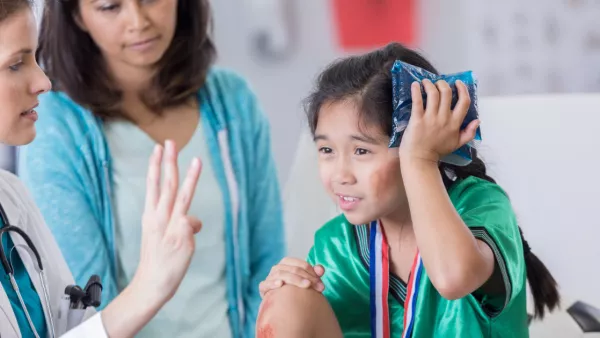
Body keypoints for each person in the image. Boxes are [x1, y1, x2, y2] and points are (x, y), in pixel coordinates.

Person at [17, 0, 285, 336]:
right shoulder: (54, 123)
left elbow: (268, 261)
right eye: (110, 7)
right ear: (76, 16)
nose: (138, 21)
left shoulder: (233, 100)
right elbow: (84, 301)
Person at [255, 43, 561, 337]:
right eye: (326, 150)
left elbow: (453, 278)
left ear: (421, 140)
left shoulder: (480, 205)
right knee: (287, 300)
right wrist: (282, 294)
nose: (340, 174)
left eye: (361, 151)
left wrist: (420, 159)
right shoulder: (335, 244)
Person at [0, 0, 206, 336]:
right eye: (15, 64)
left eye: (34, 58)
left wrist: (152, 283)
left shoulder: (11, 197)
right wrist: (147, 289)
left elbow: (73, 325)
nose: (43, 82)